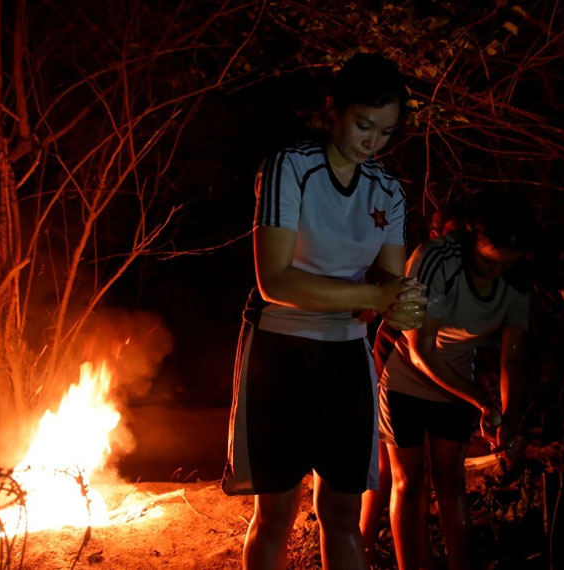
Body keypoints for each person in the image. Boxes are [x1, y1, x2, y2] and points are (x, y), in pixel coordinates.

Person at [222, 52, 427, 570]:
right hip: (280, 349)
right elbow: (275, 281)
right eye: (363, 125)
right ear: (333, 108)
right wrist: (374, 298)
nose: (372, 142)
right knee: (275, 513)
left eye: (386, 132)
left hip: (346, 356)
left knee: (341, 511)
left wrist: (403, 305)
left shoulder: (388, 190)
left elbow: (389, 282)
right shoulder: (289, 167)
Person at [379, 189, 534, 570]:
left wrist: (509, 420)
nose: (497, 272)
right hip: (406, 379)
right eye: (489, 262)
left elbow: (513, 356)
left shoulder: (517, 279)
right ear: (471, 238)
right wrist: (482, 400)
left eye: (507, 265)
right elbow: (421, 349)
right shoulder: (437, 259)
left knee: (451, 483)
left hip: (456, 385)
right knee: (409, 482)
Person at [360, 208, 463, 568]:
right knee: (387, 469)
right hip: (393, 359)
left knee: (419, 476)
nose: (457, 241)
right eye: (449, 232)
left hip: (433, 371)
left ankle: (419, 556)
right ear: (434, 233)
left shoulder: (462, 271)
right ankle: (363, 546)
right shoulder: (425, 264)